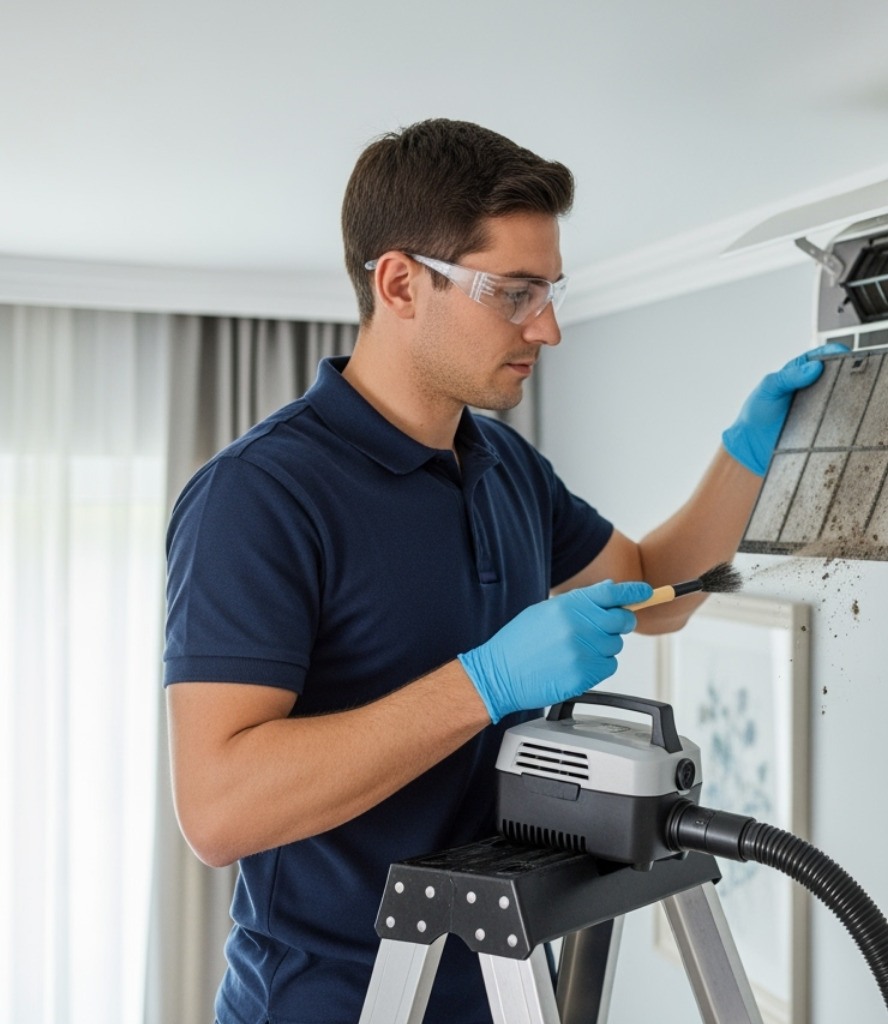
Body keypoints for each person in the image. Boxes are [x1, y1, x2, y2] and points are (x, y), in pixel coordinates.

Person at [163, 118, 832, 1024]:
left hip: (506, 984)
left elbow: (652, 591)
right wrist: (485, 682)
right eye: (514, 293)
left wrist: (753, 450)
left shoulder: (504, 464)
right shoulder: (260, 495)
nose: (548, 327)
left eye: (550, 291)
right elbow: (219, 809)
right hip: (331, 1002)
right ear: (400, 283)